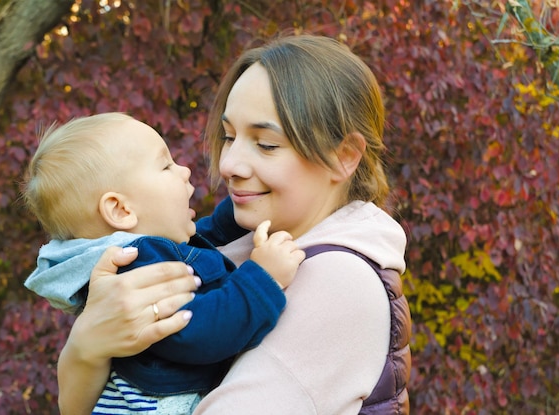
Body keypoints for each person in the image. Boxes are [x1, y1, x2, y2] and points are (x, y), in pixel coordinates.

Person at [57, 34, 412, 415]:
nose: (228, 165)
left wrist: (86, 351)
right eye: (229, 136)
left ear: (344, 156)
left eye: (266, 144)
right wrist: (86, 347)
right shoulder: (243, 244)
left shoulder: (339, 281)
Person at [22, 112, 305, 414]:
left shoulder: (150, 250)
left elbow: (209, 235)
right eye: (166, 165)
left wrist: (252, 202)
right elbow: (201, 333)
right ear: (120, 209)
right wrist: (263, 278)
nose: (184, 170)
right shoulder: (135, 266)